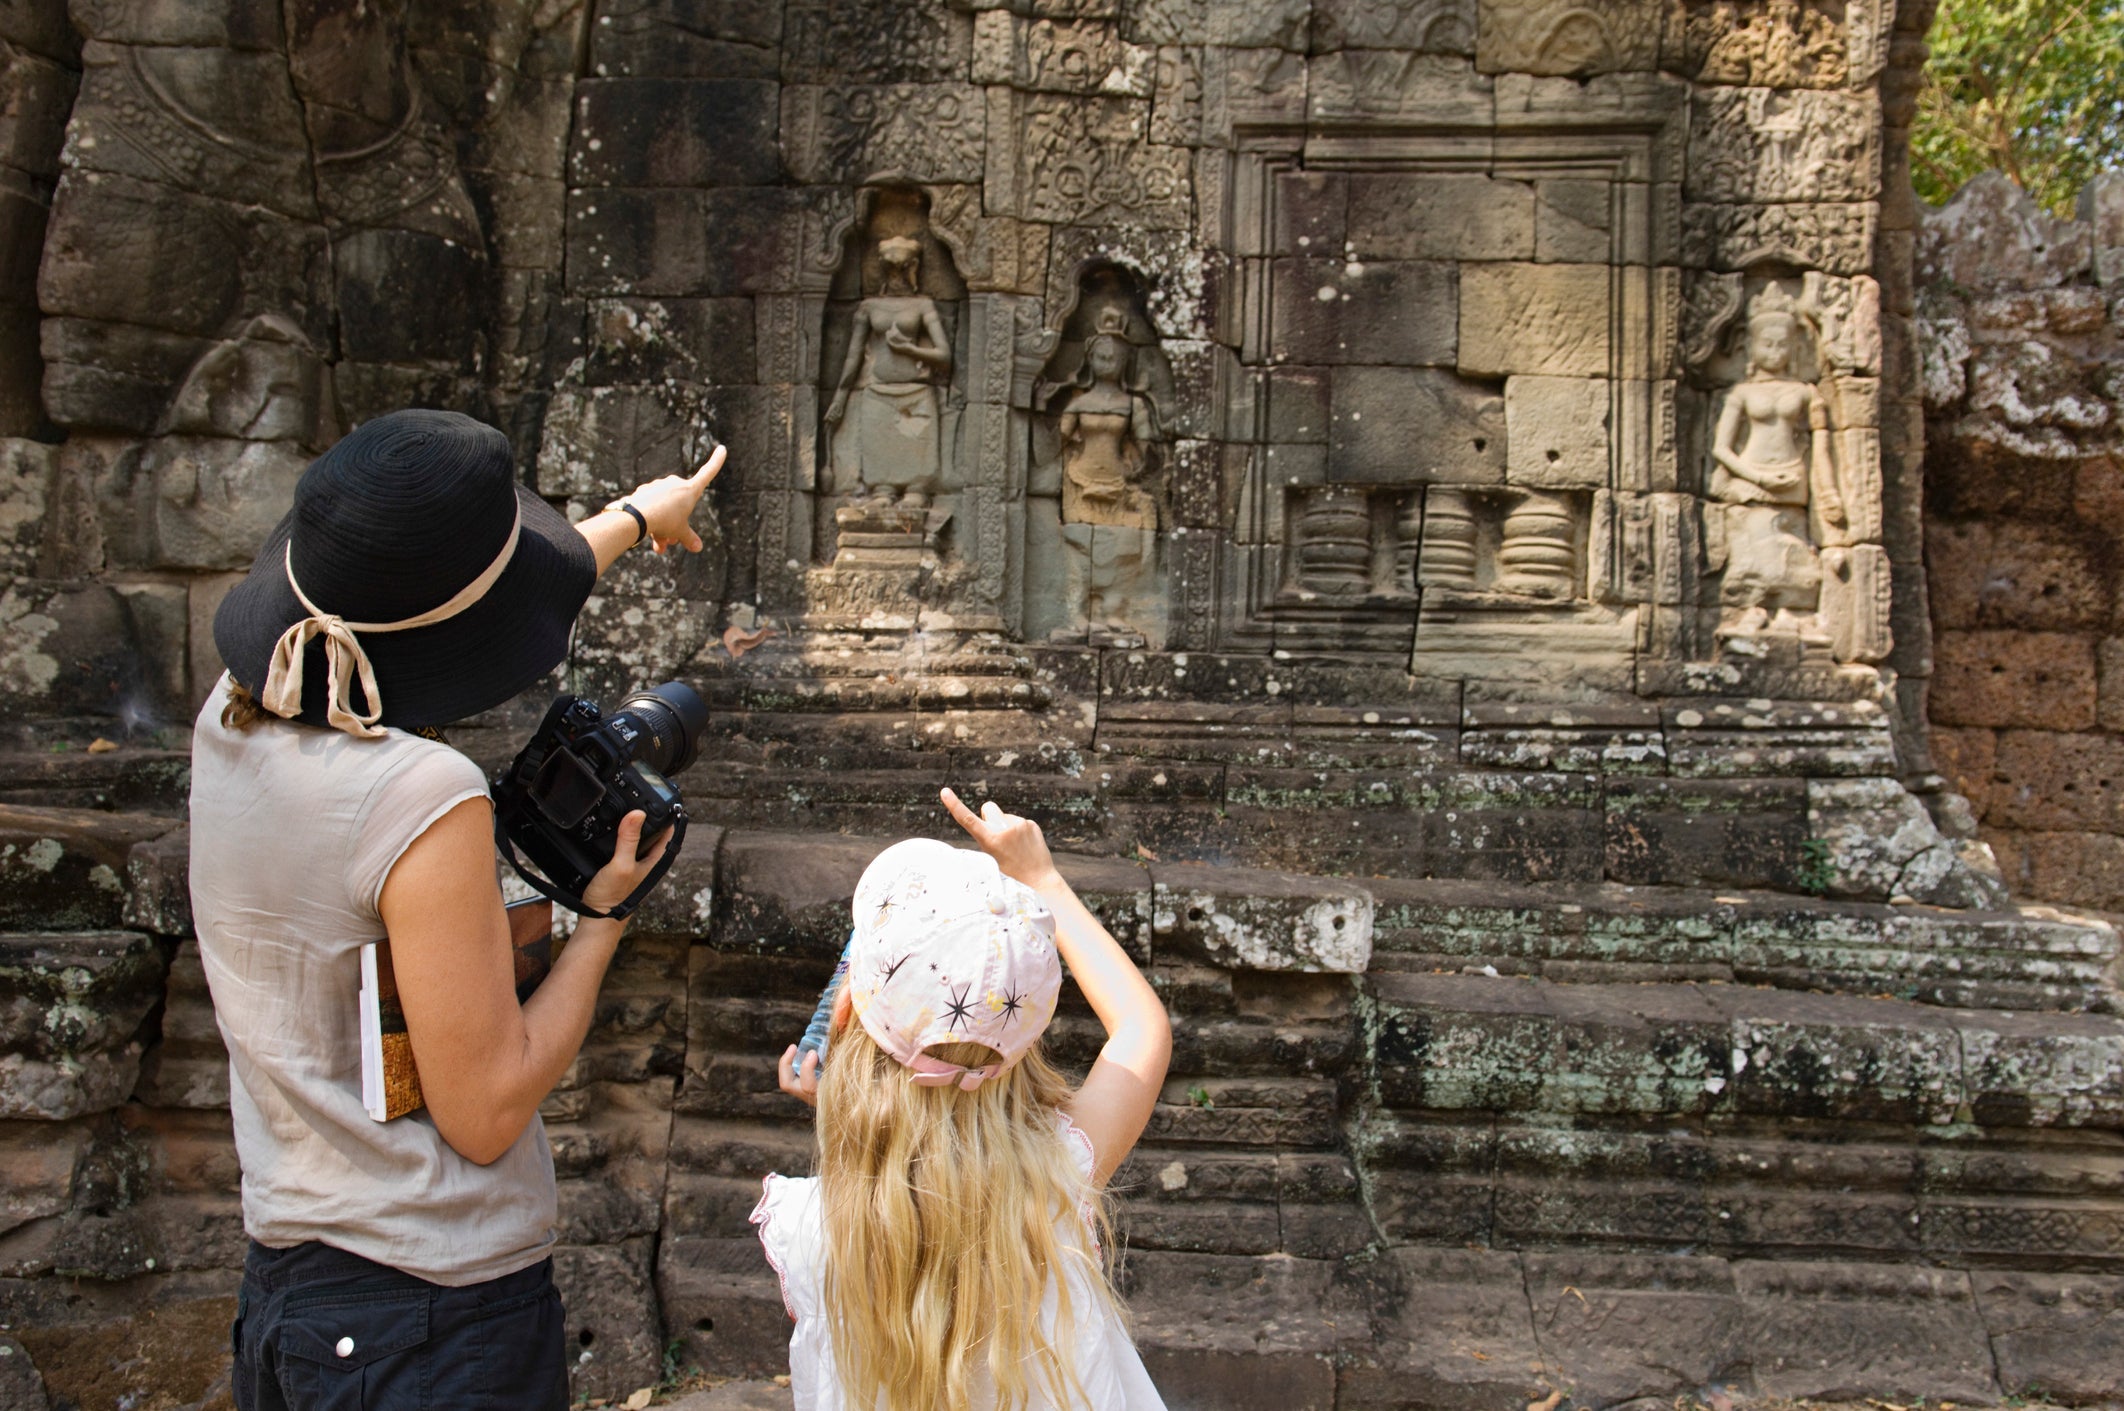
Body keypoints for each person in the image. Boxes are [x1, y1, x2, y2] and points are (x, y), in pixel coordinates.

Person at [189, 408, 722, 1410]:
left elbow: (398, 609)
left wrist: (637, 519)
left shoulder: (228, 714)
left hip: (292, 1291)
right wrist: (604, 917)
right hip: (433, 1324)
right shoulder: (420, 797)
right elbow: (484, 1110)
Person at [763, 788, 1174, 1411]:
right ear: (1029, 1038)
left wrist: (846, 1117)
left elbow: (905, 1181)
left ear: (843, 1011)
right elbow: (1142, 1030)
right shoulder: (1060, 1182)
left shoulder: (814, 1226)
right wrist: (1044, 878)